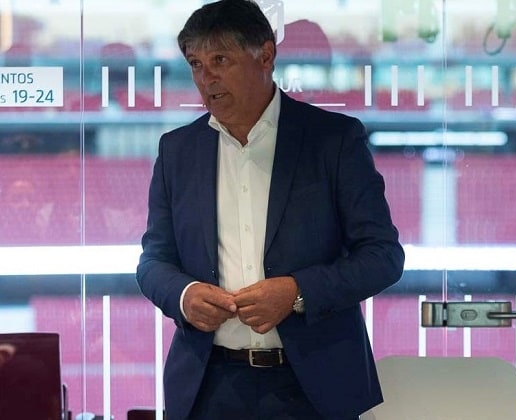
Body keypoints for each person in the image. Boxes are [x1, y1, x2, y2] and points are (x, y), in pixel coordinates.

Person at [136, 1, 405, 419]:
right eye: (195, 64)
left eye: (220, 60)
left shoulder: (333, 139)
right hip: (208, 387)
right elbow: (153, 261)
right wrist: (184, 296)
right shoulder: (177, 150)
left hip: (313, 387)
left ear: (265, 55)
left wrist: (297, 293)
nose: (206, 78)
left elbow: (383, 256)